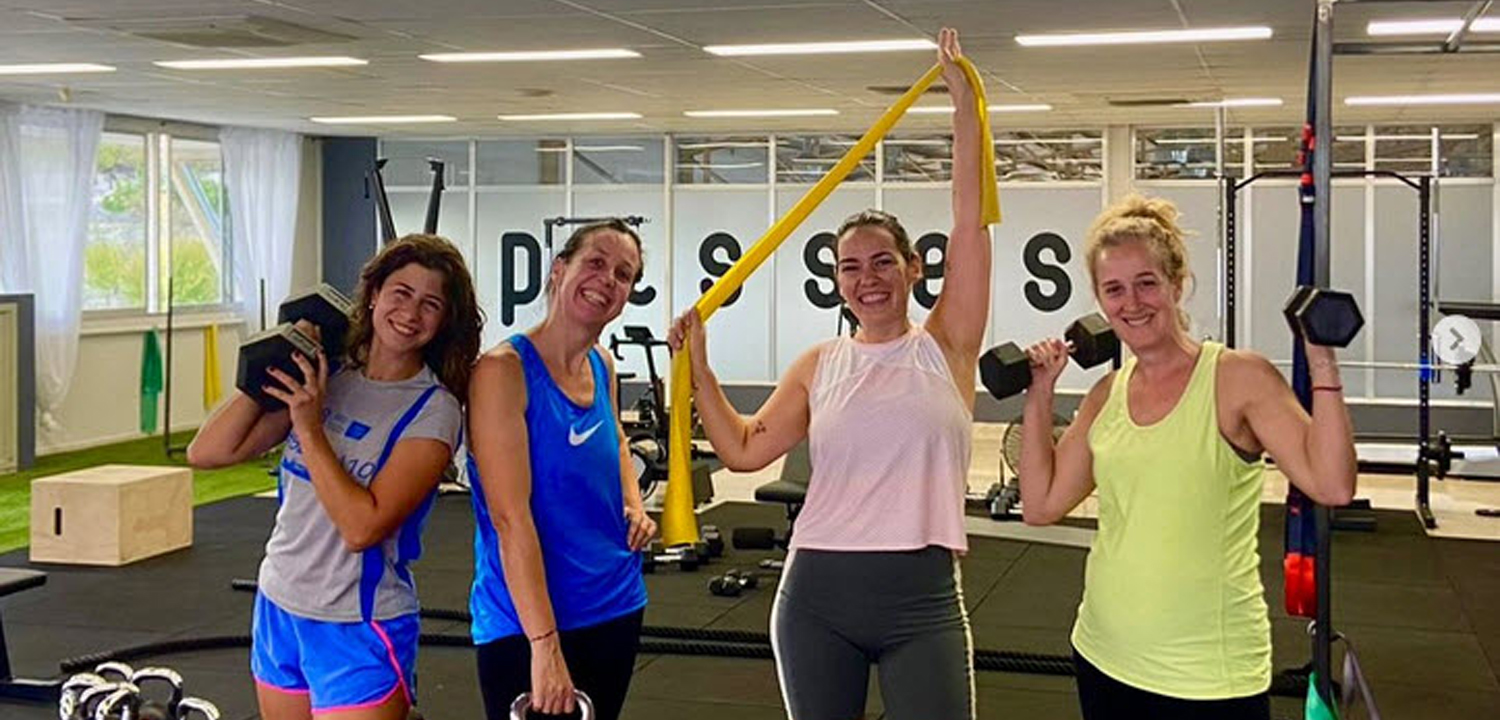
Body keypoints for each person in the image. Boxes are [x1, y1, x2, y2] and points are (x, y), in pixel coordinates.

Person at [668, 28, 988, 720]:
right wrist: (700, 368)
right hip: (816, 596)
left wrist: (962, 103)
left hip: (922, 599)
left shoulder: (948, 345)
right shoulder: (821, 364)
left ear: (914, 268)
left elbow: (970, 220)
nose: (867, 278)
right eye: (851, 266)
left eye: (882, 262)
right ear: (837, 281)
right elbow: (744, 449)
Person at [1017, 195, 1358, 720]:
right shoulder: (1106, 395)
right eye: (1114, 290)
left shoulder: (1238, 378)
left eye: (1146, 283)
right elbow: (1040, 505)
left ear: (1177, 285)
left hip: (1208, 676)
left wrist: (1321, 360)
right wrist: (1039, 393)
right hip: (1103, 653)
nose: (1132, 303)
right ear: (1099, 303)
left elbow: (1332, 485)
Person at [187, 234, 482, 720]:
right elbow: (210, 451)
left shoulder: (434, 411)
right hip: (280, 603)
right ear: (373, 295)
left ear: (444, 320)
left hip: (357, 622)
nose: (410, 313)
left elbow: (362, 527)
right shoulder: (331, 375)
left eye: (430, 304)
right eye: (401, 293)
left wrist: (308, 425)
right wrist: (281, 355)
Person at [467, 218, 657, 720]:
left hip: (614, 602)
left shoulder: (602, 363)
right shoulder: (502, 372)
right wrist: (544, 647)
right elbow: (509, 519)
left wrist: (634, 504)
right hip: (526, 624)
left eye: (623, 274)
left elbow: (615, 439)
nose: (607, 281)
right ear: (558, 270)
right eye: (594, 263)